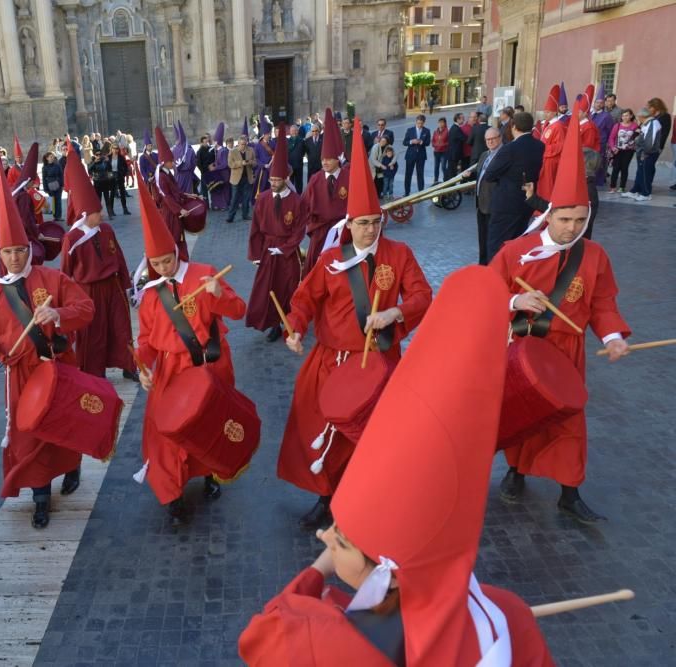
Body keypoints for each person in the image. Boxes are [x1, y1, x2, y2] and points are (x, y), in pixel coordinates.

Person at [241, 265, 555, 667]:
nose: (324, 538)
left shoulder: (331, 644)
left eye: (339, 540)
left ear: (386, 575)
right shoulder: (510, 617)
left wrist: (319, 570)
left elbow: (266, 629)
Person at [277, 124, 431, 530]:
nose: (370, 230)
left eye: (375, 222)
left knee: (375, 436)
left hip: (379, 361)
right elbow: (304, 300)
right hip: (331, 360)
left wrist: (395, 314)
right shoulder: (331, 261)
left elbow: (421, 296)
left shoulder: (399, 255)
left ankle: (365, 499)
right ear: (349, 223)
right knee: (320, 428)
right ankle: (325, 497)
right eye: (362, 223)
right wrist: (294, 328)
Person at [491, 101, 630, 524]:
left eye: (581, 219)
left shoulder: (595, 256)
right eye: (566, 218)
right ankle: (515, 472)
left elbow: (603, 302)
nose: (572, 228)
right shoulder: (516, 251)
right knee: (521, 416)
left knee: (569, 422)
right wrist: (515, 301)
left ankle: (570, 492)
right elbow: (488, 293)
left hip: (568, 354)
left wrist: (611, 336)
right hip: (525, 349)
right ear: (549, 215)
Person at [0, 155, 94, 528]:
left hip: (57, 367)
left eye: (19, 251)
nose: (14, 258)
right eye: (7, 252)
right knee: (30, 435)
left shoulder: (52, 280)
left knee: (65, 427)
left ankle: (73, 466)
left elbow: (86, 307)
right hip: (21, 377)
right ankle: (41, 496)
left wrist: (59, 315)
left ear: (29, 250)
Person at [131, 170, 248, 527]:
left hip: (209, 365)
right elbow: (147, 341)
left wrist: (219, 295)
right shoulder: (151, 296)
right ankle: (172, 494)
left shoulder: (204, 274)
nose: (163, 268)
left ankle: (211, 476)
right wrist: (145, 367)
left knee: (209, 425)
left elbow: (239, 310)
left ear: (176, 251)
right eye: (156, 264)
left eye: (167, 260)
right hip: (171, 370)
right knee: (166, 432)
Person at [59, 143, 137, 381]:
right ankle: (94, 372)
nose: (101, 215)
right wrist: (67, 301)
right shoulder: (72, 239)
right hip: (88, 291)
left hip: (112, 287)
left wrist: (126, 282)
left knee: (121, 327)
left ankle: (129, 365)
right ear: (84, 214)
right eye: (96, 212)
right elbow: (64, 273)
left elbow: (119, 257)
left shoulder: (106, 230)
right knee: (93, 333)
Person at [246, 126, 307, 342]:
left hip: (287, 253)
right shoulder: (262, 199)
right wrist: (255, 253)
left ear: (285, 178)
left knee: (288, 288)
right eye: (271, 180)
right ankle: (273, 322)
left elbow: (300, 230)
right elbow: (255, 228)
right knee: (268, 289)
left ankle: (290, 321)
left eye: (277, 181)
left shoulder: (296, 201)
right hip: (266, 251)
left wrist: (285, 248)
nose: (273, 184)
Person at [482, 111, 543, 263]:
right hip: (527, 203)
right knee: (518, 245)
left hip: (506, 205)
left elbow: (489, 174)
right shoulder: (540, 146)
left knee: (497, 246)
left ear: (513, 127)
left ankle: (496, 279)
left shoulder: (510, 148)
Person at [300, 108, 350, 277]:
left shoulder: (348, 177)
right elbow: (303, 206)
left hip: (345, 234)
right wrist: (312, 226)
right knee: (315, 272)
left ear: (338, 158)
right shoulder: (315, 179)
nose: (325, 162)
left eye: (329, 159)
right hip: (321, 234)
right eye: (323, 159)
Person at [151, 127, 201, 259]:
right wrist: (179, 210)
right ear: (164, 162)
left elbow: (176, 191)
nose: (173, 163)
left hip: (175, 211)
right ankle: (175, 260)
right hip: (170, 213)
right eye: (171, 161)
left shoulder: (168, 174)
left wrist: (188, 195)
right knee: (174, 237)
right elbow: (166, 197)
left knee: (180, 236)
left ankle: (182, 258)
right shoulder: (162, 177)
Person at [624, 100, 667, 201]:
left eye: (639, 118)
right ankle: (636, 190)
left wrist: (645, 153)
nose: (638, 120)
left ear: (642, 117)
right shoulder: (648, 123)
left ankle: (646, 193)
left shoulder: (652, 124)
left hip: (647, 153)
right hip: (643, 152)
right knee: (640, 172)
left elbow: (650, 142)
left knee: (645, 173)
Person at [473, 127, 502, 265]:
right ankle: (482, 265)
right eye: (487, 140)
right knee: (482, 239)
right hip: (481, 204)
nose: (490, 142)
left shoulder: (504, 155)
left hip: (494, 205)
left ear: (500, 138)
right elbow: (481, 176)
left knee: (493, 241)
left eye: (492, 139)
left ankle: (492, 267)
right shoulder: (484, 155)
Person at [536, 86, 568, 200]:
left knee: (548, 186)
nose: (545, 114)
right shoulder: (548, 124)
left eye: (548, 112)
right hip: (545, 159)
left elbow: (560, 145)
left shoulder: (558, 126)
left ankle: (548, 206)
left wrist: (543, 149)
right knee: (543, 185)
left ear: (554, 112)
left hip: (551, 160)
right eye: (545, 112)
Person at [226, 134, 257, 224]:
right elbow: (230, 164)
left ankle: (245, 214)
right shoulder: (232, 152)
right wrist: (241, 163)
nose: (244, 146)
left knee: (246, 198)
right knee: (234, 198)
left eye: (245, 144)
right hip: (236, 179)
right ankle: (230, 216)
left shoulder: (251, 150)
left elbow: (255, 162)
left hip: (248, 178)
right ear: (238, 144)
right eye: (242, 144)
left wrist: (250, 162)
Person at [607, 109, 638, 193]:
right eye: (623, 115)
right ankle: (612, 187)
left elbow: (638, 137)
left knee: (624, 168)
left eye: (627, 115)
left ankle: (622, 187)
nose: (625, 117)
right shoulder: (617, 126)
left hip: (629, 151)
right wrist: (613, 148)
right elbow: (611, 138)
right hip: (617, 150)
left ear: (631, 116)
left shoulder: (635, 126)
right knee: (615, 168)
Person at [203, 122, 232, 210]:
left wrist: (215, 167)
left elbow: (224, 164)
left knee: (225, 190)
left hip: (224, 173)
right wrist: (213, 164)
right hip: (220, 173)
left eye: (215, 141)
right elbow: (218, 162)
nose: (214, 142)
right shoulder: (217, 150)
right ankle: (221, 205)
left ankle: (225, 204)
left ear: (217, 142)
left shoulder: (223, 151)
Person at [401, 115, 430, 196]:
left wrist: (422, 142)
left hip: (421, 156)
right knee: (408, 174)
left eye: (421, 123)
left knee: (420, 174)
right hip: (410, 155)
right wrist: (411, 141)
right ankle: (407, 192)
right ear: (416, 121)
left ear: (424, 122)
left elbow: (428, 143)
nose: (419, 125)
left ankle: (421, 192)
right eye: (418, 123)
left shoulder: (427, 131)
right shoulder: (410, 130)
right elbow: (404, 142)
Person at [107, 144, 131, 216]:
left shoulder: (121, 157)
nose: (115, 150)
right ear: (111, 149)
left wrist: (123, 174)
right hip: (112, 176)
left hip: (119, 175)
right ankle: (111, 211)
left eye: (117, 148)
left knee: (122, 193)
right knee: (112, 194)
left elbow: (125, 167)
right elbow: (107, 168)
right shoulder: (108, 157)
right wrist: (109, 176)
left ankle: (125, 209)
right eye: (114, 148)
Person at [41, 152, 64, 221]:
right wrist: (46, 189)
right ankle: (54, 216)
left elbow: (61, 175)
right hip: (50, 186)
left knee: (58, 201)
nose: (52, 158)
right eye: (50, 156)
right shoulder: (44, 167)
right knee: (53, 201)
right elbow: (44, 178)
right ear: (47, 158)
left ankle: (58, 216)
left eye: (53, 156)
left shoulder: (58, 165)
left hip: (58, 185)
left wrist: (62, 185)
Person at [444, 112, 467, 179]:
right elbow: (465, 138)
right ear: (457, 119)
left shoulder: (455, 127)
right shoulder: (456, 129)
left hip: (453, 155)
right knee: (452, 174)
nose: (464, 120)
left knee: (452, 172)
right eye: (462, 118)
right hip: (453, 156)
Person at [286, 124, 306, 193]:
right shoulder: (287, 141)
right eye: (292, 131)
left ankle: (299, 198)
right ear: (290, 132)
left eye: (295, 130)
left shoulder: (302, 141)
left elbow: (303, 152)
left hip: (299, 165)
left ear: (297, 131)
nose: (294, 132)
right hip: (290, 166)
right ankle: (291, 197)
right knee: (290, 183)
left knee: (299, 183)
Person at [195, 134, 213, 207]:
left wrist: (213, 166)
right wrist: (204, 170)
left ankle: (214, 203)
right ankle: (206, 205)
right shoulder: (199, 151)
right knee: (204, 190)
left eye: (207, 142)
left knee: (213, 188)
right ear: (202, 143)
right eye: (205, 142)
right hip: (204, 172)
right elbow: (198, 163)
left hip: (212, 172)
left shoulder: (210, 149)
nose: (206, 143)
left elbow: (214, 159)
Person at [430, 117, 449, 184]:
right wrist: (435, 144)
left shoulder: (447, 131)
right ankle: (436, 180)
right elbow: (433, 140)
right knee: (436, 166)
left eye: (442, 122)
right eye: (439, 122)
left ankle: (446, 179)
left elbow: (449, 142)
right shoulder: (436, 131)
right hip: (436, 152)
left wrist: (442, 144)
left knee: (443, 166)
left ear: (445, 123)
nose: (440, 124)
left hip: (444, 152)